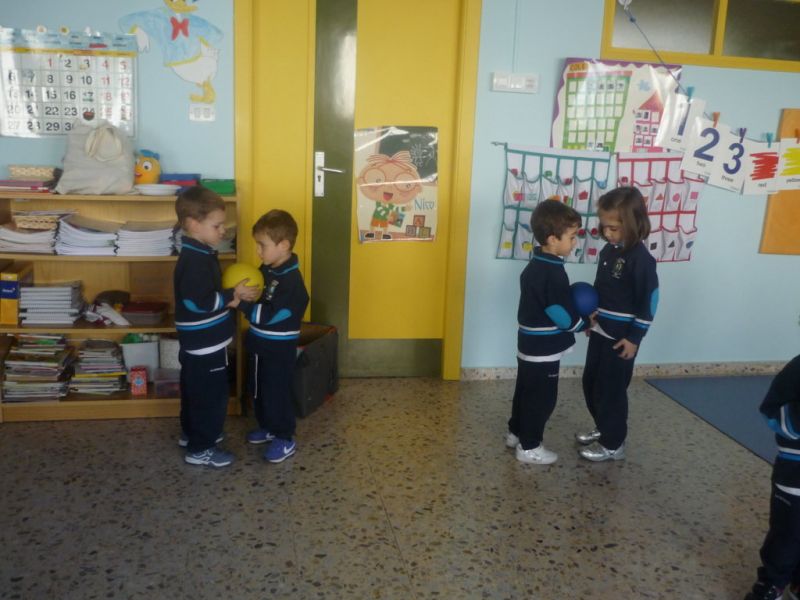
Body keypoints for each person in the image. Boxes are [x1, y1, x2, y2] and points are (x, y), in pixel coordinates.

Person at [174, 186, 258, 468]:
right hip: (205, 346)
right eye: (217, 225)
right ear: (193, 224)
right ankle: (202, 448)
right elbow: (198, 302)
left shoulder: (199, 251)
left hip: (199, 344)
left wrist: (228, 299)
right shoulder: (195, 261)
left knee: (194, 392)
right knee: (210, 398)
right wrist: (232, 295)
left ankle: (192, 433)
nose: (223, 231)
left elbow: (202, 297)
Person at [576, 186, 659, 462]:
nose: (607, 233)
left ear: (633, 224)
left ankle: (613, 443)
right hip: (601, 330)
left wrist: (635, 338)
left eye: (613, 228)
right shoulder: (608, 252)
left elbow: (649, 302)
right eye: (604, 226)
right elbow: (601, 289)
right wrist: (591, 318)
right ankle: (604, 426)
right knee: (591, 383)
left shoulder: (642, 260)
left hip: (622, 337)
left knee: (611, 390)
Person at [506, 199, 586, 465]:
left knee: (525, 391)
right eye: (571, 237)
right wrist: (583, 324)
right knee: (541, 399)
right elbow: (559, 314)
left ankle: (516, 433)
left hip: (528, 345)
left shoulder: (535, 265)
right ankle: (530, 447)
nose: (574, 242)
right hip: (543, 349)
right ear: (553, 239)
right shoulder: (553, 272)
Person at [237, 209, 309, 463]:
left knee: (276, 392)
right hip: (259, 343)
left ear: (284, 245)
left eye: (262, 245)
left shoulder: (292, 283)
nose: (258, 251)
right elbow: (258, 293)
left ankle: (284, 437)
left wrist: (240, 303)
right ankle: (267, 426)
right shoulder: (268, 269)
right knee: (258, 389)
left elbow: (268, 316)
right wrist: (244, 291)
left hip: (279, 350)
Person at [744, 354, 800, 600]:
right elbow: (771, 410)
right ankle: (772, 583)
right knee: (787, 535)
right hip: (795, 475)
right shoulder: (797, 368)